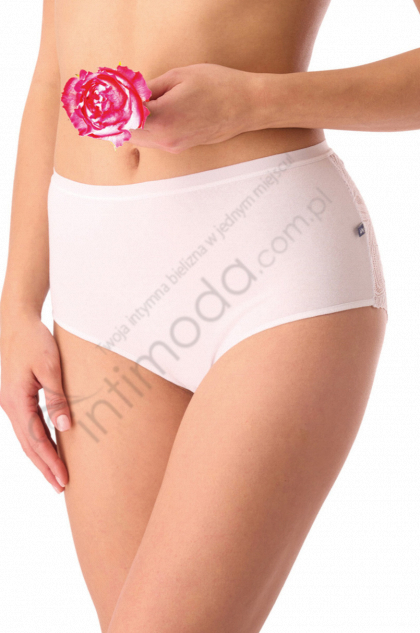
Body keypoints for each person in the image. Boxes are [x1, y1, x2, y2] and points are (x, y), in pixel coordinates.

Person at [0, 0, 418, 631]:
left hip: (271, 265)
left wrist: (254, 101)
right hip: (94, 291)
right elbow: (51, 74)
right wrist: (17, 305)